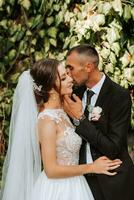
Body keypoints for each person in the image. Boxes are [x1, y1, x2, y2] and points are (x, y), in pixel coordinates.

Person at [1, 58, 122, 200]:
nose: (70, 79)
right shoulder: (47, 120)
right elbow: (51, 170)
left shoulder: (64, 111)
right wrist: (92, 167)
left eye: (67, 74)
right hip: (58, 190)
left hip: (76, 184)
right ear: (50, 88)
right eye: (64, 78)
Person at [64, 44, 134, 200]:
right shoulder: (73, 94)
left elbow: (114, 148)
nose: (68, 74)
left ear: (88, 67)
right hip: (80, 182)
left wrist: (80, 119)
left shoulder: (119, 96)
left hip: (113, 182)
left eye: (71, 68)